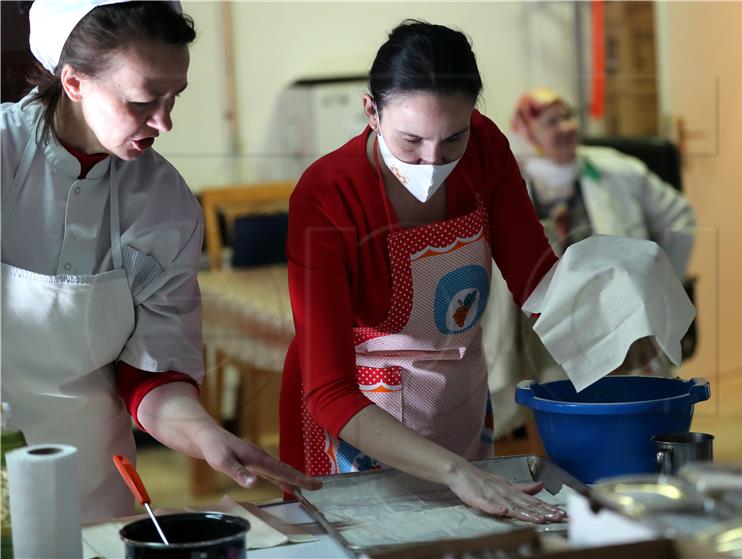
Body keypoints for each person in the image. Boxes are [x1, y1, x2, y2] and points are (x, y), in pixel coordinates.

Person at [1, 0, 318, 524]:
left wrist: (206, 435)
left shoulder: (165, 203)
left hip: (91, 485)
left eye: (175, 98)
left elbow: (153, 373)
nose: (164, 122)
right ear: (74, 81)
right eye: (144, 100)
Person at [280, 20, 567, 524]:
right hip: (357, 418)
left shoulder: (485, 148)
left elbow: (536, 277)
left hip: (454, 397)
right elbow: (327, 390)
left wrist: (614, 311)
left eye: (452, 139)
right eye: (410, 141)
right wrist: (455, 472)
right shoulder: (327, 194)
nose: (433, 163)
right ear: (371, 111)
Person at [483, 87, 696, 436]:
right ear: (528, 132)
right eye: (552, 122)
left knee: (631, 400)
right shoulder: (510, 181)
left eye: (568, 117)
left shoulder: (618, 169)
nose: (566, 127)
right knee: (561, 398)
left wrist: (658, 277)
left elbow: (680, 218)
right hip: (546, 313)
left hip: (615, 302)